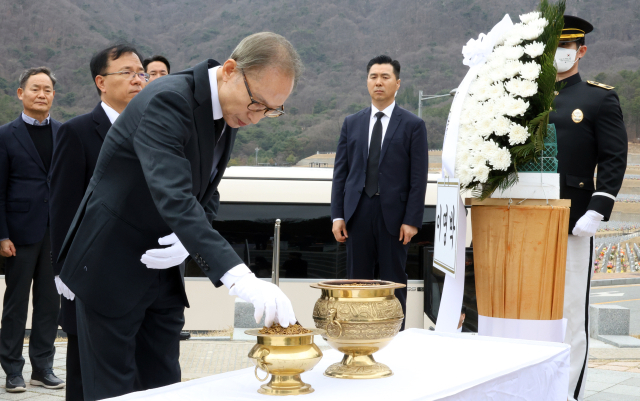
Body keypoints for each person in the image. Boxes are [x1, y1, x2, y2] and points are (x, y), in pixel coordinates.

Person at [55, 32, 302, 400]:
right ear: (230, 70)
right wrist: (241, 279)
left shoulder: (227, 113)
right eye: (257, 104)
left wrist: (187, 244)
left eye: (271, 111)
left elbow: (206, 190)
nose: (258, 118)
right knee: (112, 390)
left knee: (164, 384)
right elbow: (174, 196)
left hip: (163, 276)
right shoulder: (168, 99)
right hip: (111, 267)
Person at [49, 44, 147, 401]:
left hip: (143, 274)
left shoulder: (156, 129)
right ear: (101, 82)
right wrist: (63, 272)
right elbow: (63, 206)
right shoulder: (76, 132)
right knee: (85, 375)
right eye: (128, 72)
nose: (138, 79)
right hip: (93, 275)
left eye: (142, 72)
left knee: (139, 375)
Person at [550, 15, 628, 401]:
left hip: (574, 218)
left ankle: (565, 393)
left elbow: (614, 157)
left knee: (568, 312)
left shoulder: (598, 98)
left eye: (566, 47)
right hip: (529, 217)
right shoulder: (525, 98)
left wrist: (597, 208)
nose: (559, 54)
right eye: (553, 46)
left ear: (580, 51)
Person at [330, 55, 428, 329]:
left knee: (393, 281)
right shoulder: (352, 122)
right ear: (367, 82)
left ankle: (394, 337)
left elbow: (418, 178)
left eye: (385, 77)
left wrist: (412, 220)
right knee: (356, 281)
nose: (379, 82)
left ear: (397, 83)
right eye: (373, 77)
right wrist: (337, 215)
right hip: (357, 212)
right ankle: (357, 337)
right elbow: (341, 173)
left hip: (395, 218)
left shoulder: (412, 125)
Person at [0, 67, 65, 392]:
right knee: (15, 304)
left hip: (56, 233)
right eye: (35, 88)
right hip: (20, 233)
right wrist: (2, 234)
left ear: (54, 95)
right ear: (21, 93)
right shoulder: (5, 135)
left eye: (48, 90)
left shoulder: (64, 133)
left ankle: (43, 367)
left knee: (49, 304)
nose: (42, 94)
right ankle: (12, 369)